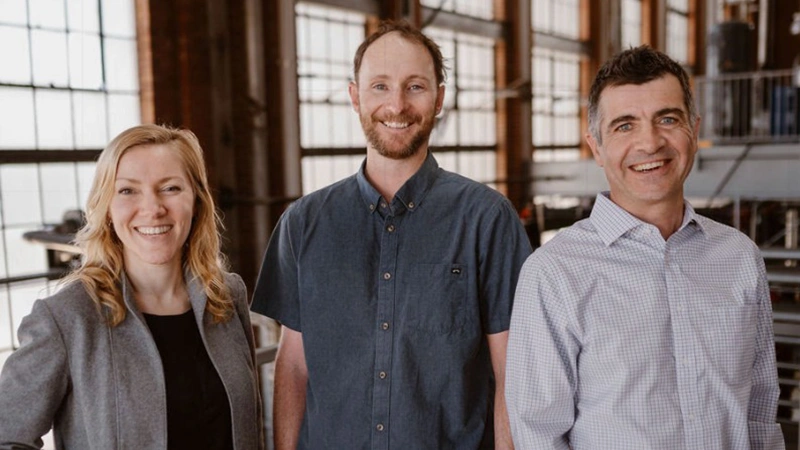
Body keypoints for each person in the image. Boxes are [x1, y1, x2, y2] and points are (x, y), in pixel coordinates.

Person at [251, 20, 531, 450]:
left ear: (438, 98)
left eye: (415, 87)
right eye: (380, 86)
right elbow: (293, 367)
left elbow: (510, 370)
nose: (396, 105)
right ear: (354, 96)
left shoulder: (487, 220)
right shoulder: (304, 223)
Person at [506, 45, 784, 450]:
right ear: (596, 146)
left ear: (694, 128)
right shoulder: (553, 273)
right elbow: (538, 433)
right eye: (624, 126)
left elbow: (759, 410)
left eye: (667, 119)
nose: (650, 142)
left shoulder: (740, 257)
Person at [0, 124, 264, 449]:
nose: (153, 209)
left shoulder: (225, 295)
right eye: (128, 191)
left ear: (196, 201)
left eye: (170, 188)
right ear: (106, 207)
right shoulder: (66, 317)